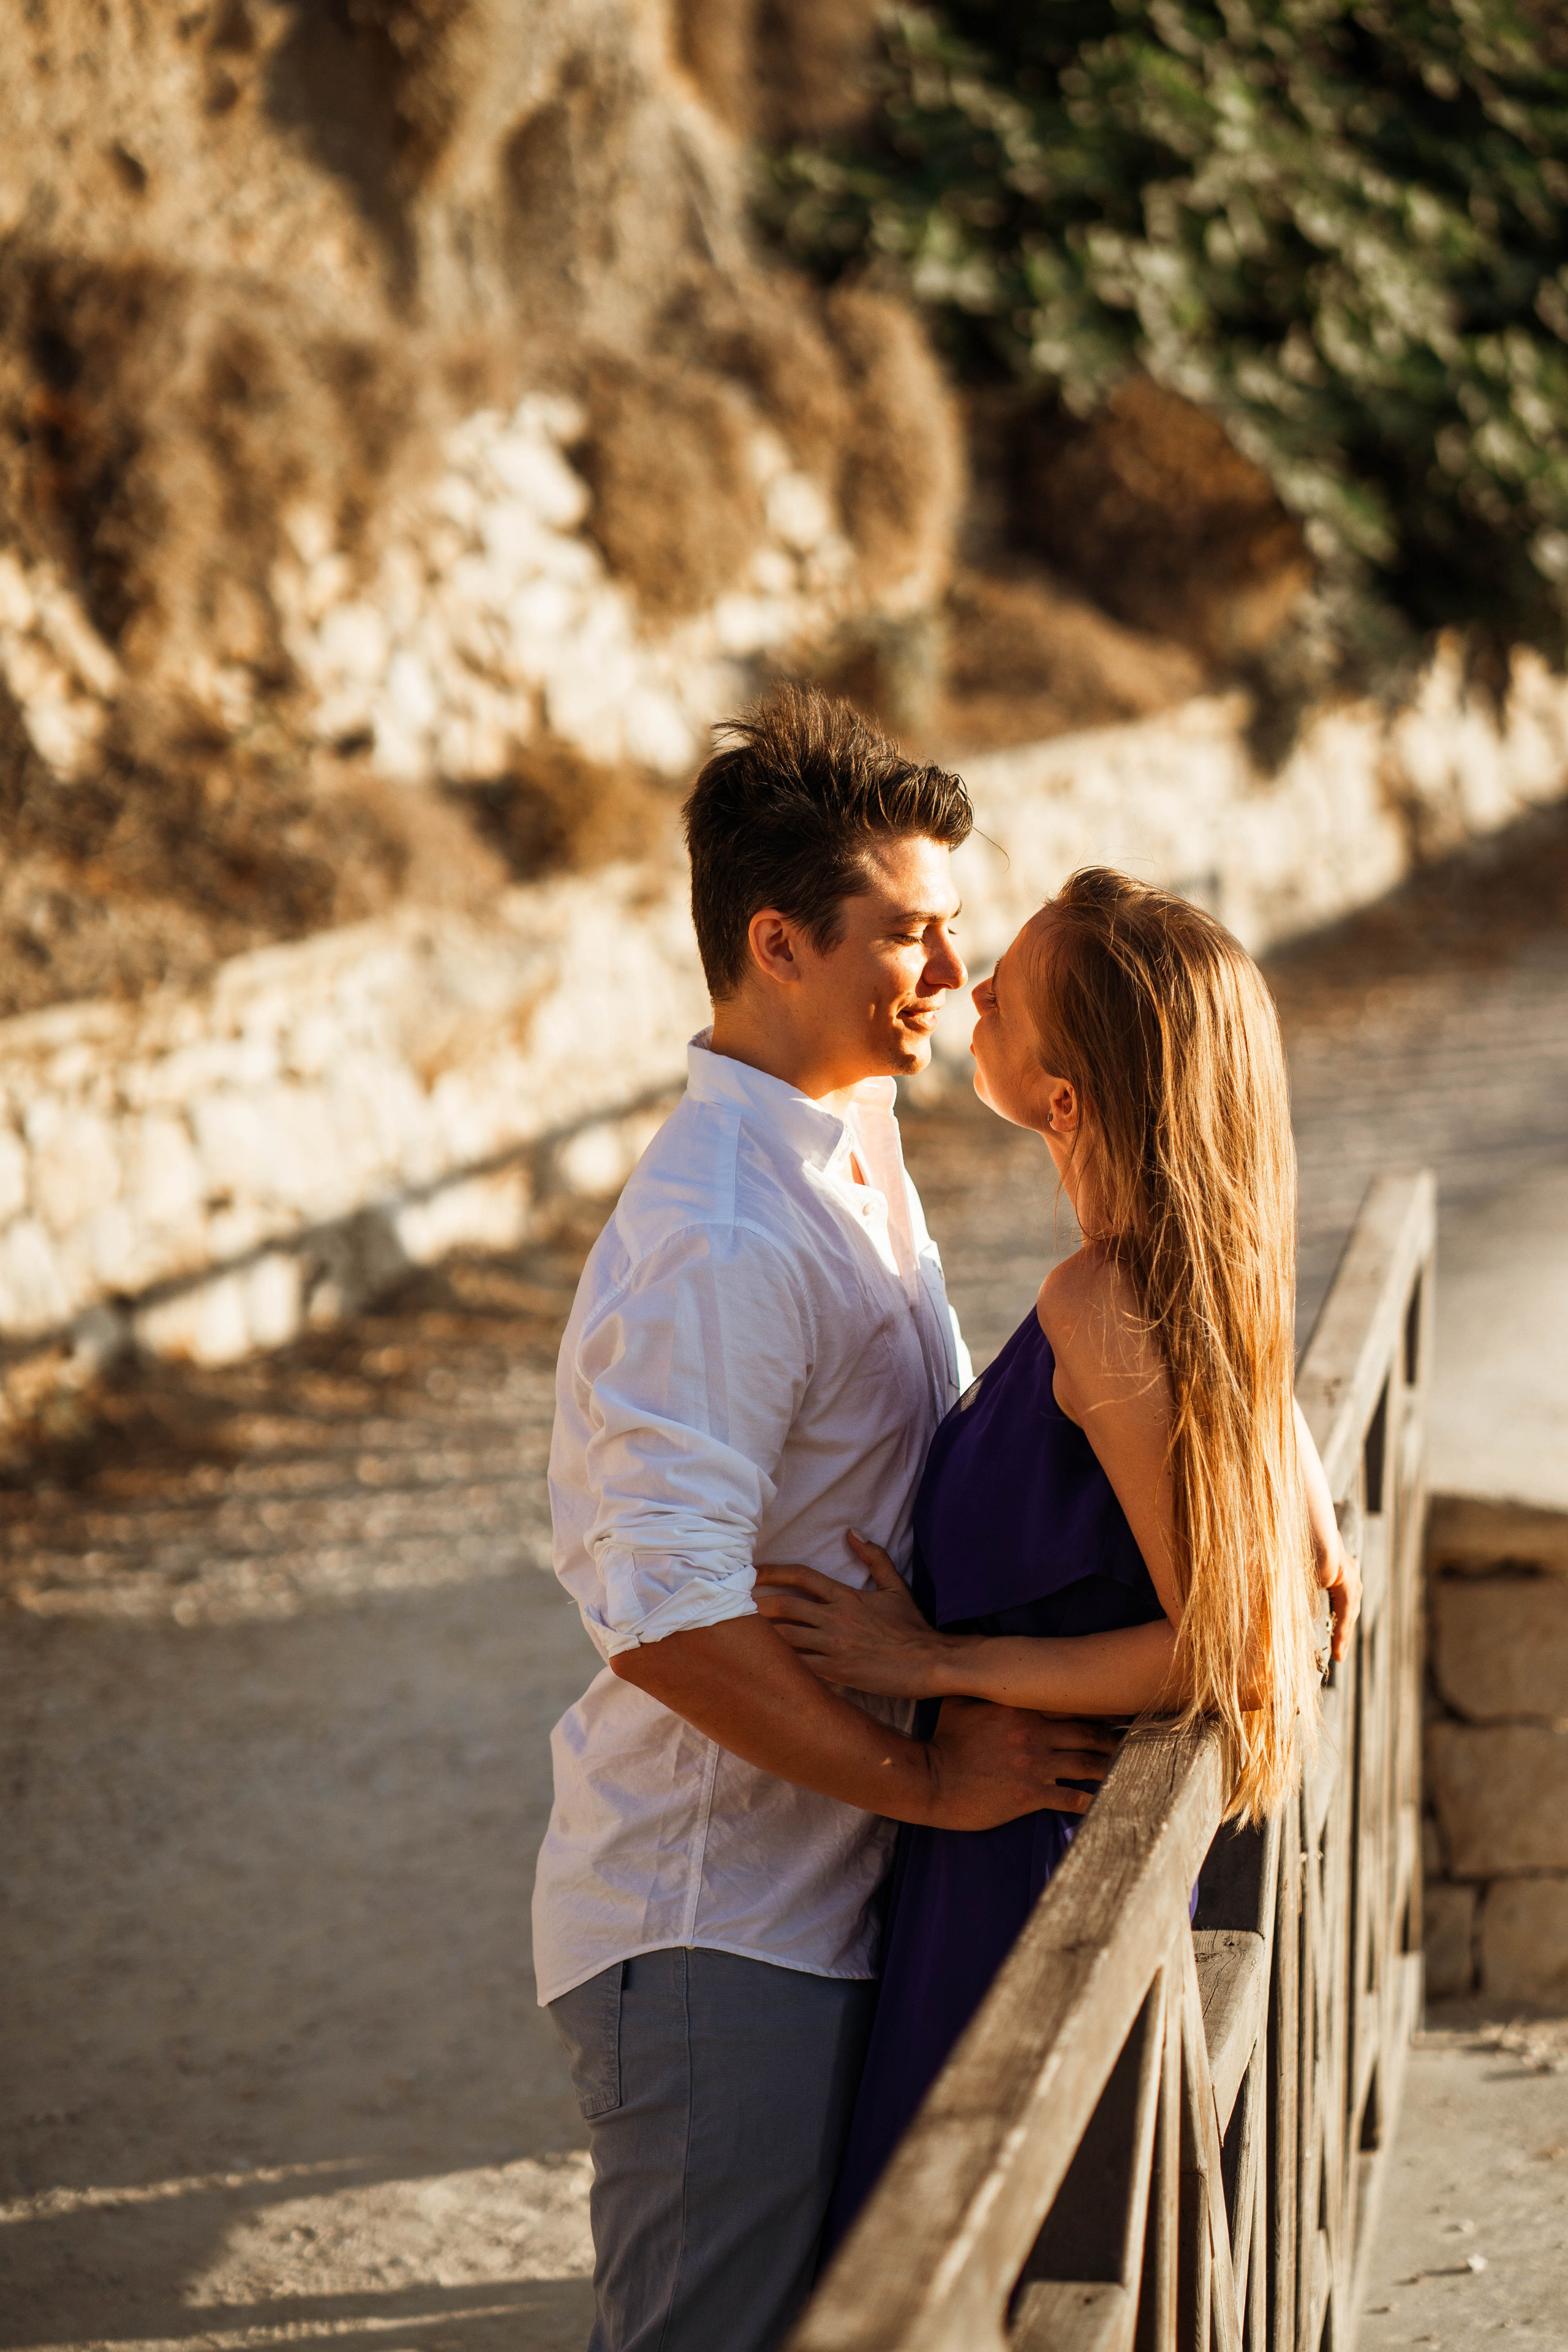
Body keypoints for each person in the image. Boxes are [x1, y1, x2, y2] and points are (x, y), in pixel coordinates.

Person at [532, 689, 1115, 2352]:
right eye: (909, 936)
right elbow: (661, 1618)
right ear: (777, 943)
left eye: (950, 931)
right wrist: (930, 1778)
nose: (948, 974)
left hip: (823, 1903)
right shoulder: (718, 1229)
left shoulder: (849, 1133)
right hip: (717, 1929)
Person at [755, 867, 1362, 2242]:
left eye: (1006, 992)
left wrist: (932, 1658)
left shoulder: (1101, 1304)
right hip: (1033, 1850)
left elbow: (1242, 1647)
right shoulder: (1178, 1286)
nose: (964, 989)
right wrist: (1292, 1462)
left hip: (1030, 1874)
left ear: (1066, 1104)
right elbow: (1230, 1442)